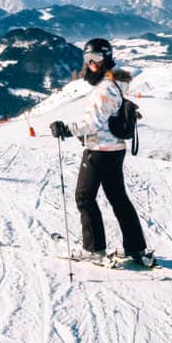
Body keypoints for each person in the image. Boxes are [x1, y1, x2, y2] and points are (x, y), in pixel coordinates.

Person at [50, 38, 153, 266]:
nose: (91, 64)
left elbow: (93, 123)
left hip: (99, 150)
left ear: (106, 58)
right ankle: (136, 247)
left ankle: (94, 249)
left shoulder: (106, 88)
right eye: (87, 59)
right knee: (118, 198)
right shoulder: (115, 83)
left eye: (96, 59)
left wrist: (66, 129)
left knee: (84, 197)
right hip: (115, 149)